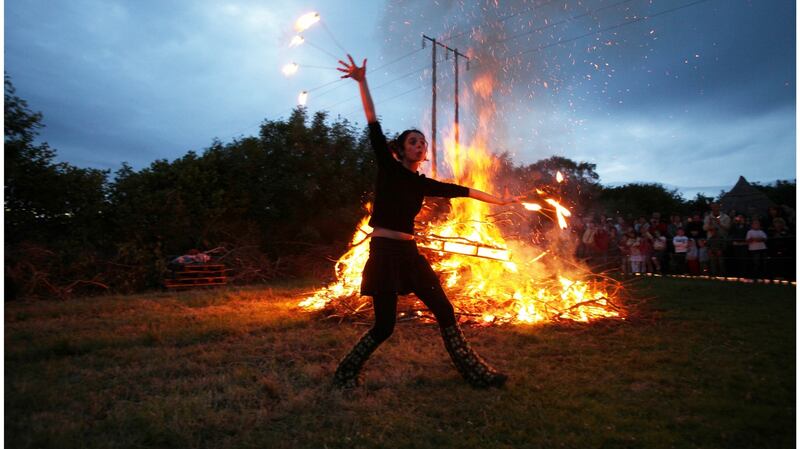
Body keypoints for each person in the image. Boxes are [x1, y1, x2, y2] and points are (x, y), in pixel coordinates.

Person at [332, 55, 515, 389]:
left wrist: (499, 200)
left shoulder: (422, 183)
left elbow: (462, 190)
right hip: (384, 254)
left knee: (445, 311)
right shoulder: (388, 170)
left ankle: (476, 373)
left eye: (423, 142)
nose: (420, 145)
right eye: (413, 141)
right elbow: (372, 122)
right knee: (384, 327)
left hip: (411, 256)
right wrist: (362, 82)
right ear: (400, 149)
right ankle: (345, 373)